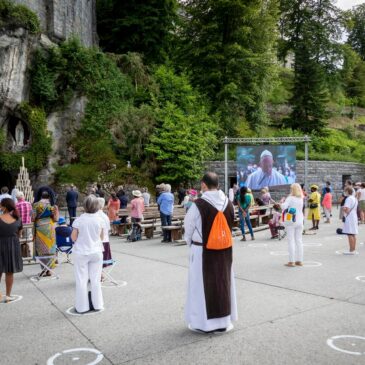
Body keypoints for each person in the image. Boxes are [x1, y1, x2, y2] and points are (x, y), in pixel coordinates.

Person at [184, 172, 237, 333]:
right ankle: (224, 321)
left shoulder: (198, 205)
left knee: (201, 286)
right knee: (224, 282)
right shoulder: (229, 203)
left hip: (202, 251)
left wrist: (190, 244)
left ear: (204, 185)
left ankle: (204, 324)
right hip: (225, 249)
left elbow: (189, 228)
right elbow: (231, 222)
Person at [71, 195, 104, 313]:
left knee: (81, 280)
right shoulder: (100, 220)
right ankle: (98, 304)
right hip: (96, 251)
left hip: (81, 252)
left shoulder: (79, 220)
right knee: (96, 280)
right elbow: (102, 237)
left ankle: (82, 307)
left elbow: (73, 238)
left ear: (84, 206)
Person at [0, 198, 23, 302]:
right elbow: (20, 234)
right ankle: (8, 295)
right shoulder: (18, 219)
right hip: (13, 246)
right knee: (9, 272)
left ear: (4, 207)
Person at [33, 190, 59, 276]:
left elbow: (32, 218)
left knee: (41, 249)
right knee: (50, 248)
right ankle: (50, 270)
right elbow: (56, 219)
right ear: (49, 196)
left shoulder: (36, 205)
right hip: (50, 227)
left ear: (40, 196)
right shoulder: (52, 206)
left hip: (40, 228)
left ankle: (44, 269)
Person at [281, 183, 304, 267]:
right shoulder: (301, 198)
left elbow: (283, 207)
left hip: (291, 221)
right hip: (300, 220)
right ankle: (300, 260)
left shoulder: (290, 198)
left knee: (291, 241)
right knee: (299, 240)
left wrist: (282, 202)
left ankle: (291, 261)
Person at [96, 198, 112, 276]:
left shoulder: (94, 215)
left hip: (96, 240)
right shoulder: (105, 216)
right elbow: (108, 229)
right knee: (102, 259)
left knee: (97, 259)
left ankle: (99, 274)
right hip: (105, 239)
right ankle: (100, 273)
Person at [342, 186, 358, 255]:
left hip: (349, 217)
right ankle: (353, 249)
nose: (344, 192)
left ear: (348, 191)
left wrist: (343, 208)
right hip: (354, 216)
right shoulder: (354, 198)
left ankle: (351, 250)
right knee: (353, 234)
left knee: (350, 234)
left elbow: (347, 209)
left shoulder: (348, 199)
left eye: (345, 191)